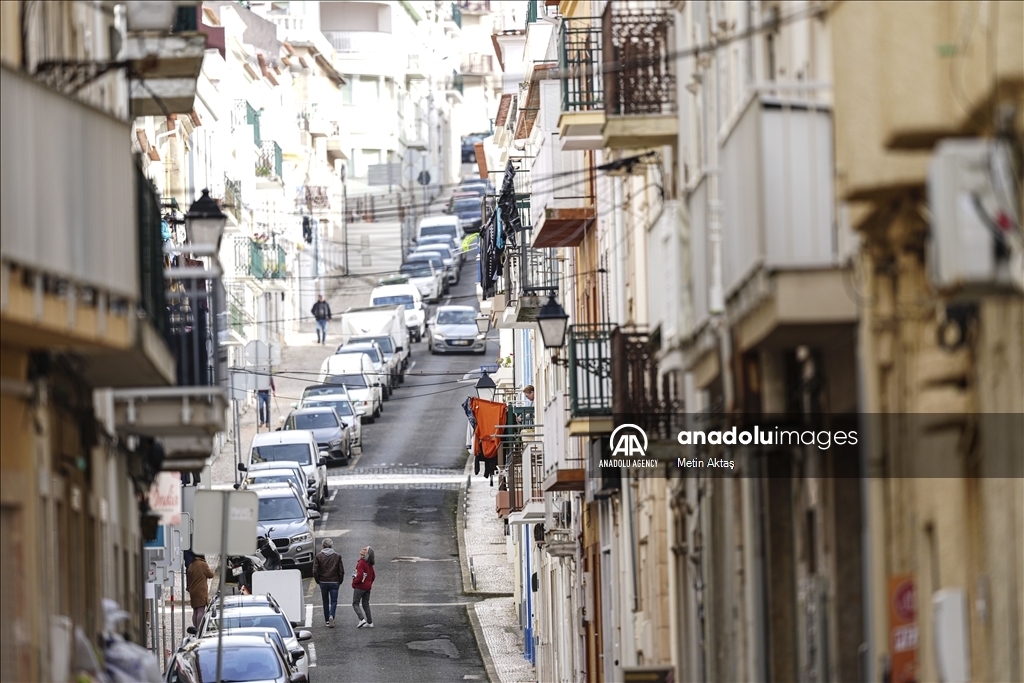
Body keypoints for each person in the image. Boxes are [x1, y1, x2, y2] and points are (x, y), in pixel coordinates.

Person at [313, 538, 344, 627]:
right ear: (331, 546)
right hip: (334, 581)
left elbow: (315, 571)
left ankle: (327, 620)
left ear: (323, 546)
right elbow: (341, 570)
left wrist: (317, 580)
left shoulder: (319, 556)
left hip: (323, 581)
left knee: (325, 601)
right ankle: (331, 615)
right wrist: (340, 581)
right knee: (334, 601)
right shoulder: (337, 556)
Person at [186, 553, 213, 630]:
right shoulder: (202, 564)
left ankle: (195, 627)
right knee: (201, 610)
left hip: (193, 591)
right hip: (201, 591)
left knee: (195, 610)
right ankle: (199, 629)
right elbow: (211, 575)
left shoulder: (191, 565)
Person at [352, 546, 376, 628]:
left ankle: (361, 619)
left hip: (359, 587)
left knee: (355, 603)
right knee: (365, 604)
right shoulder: (370, 564)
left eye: (365, 549)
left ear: (367, 554)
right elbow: (373, 576)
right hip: (367, 588)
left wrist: (354, 583)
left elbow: (359, 575)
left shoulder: (361, 563)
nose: (363, 549)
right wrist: (369, 583)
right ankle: (370, 622)